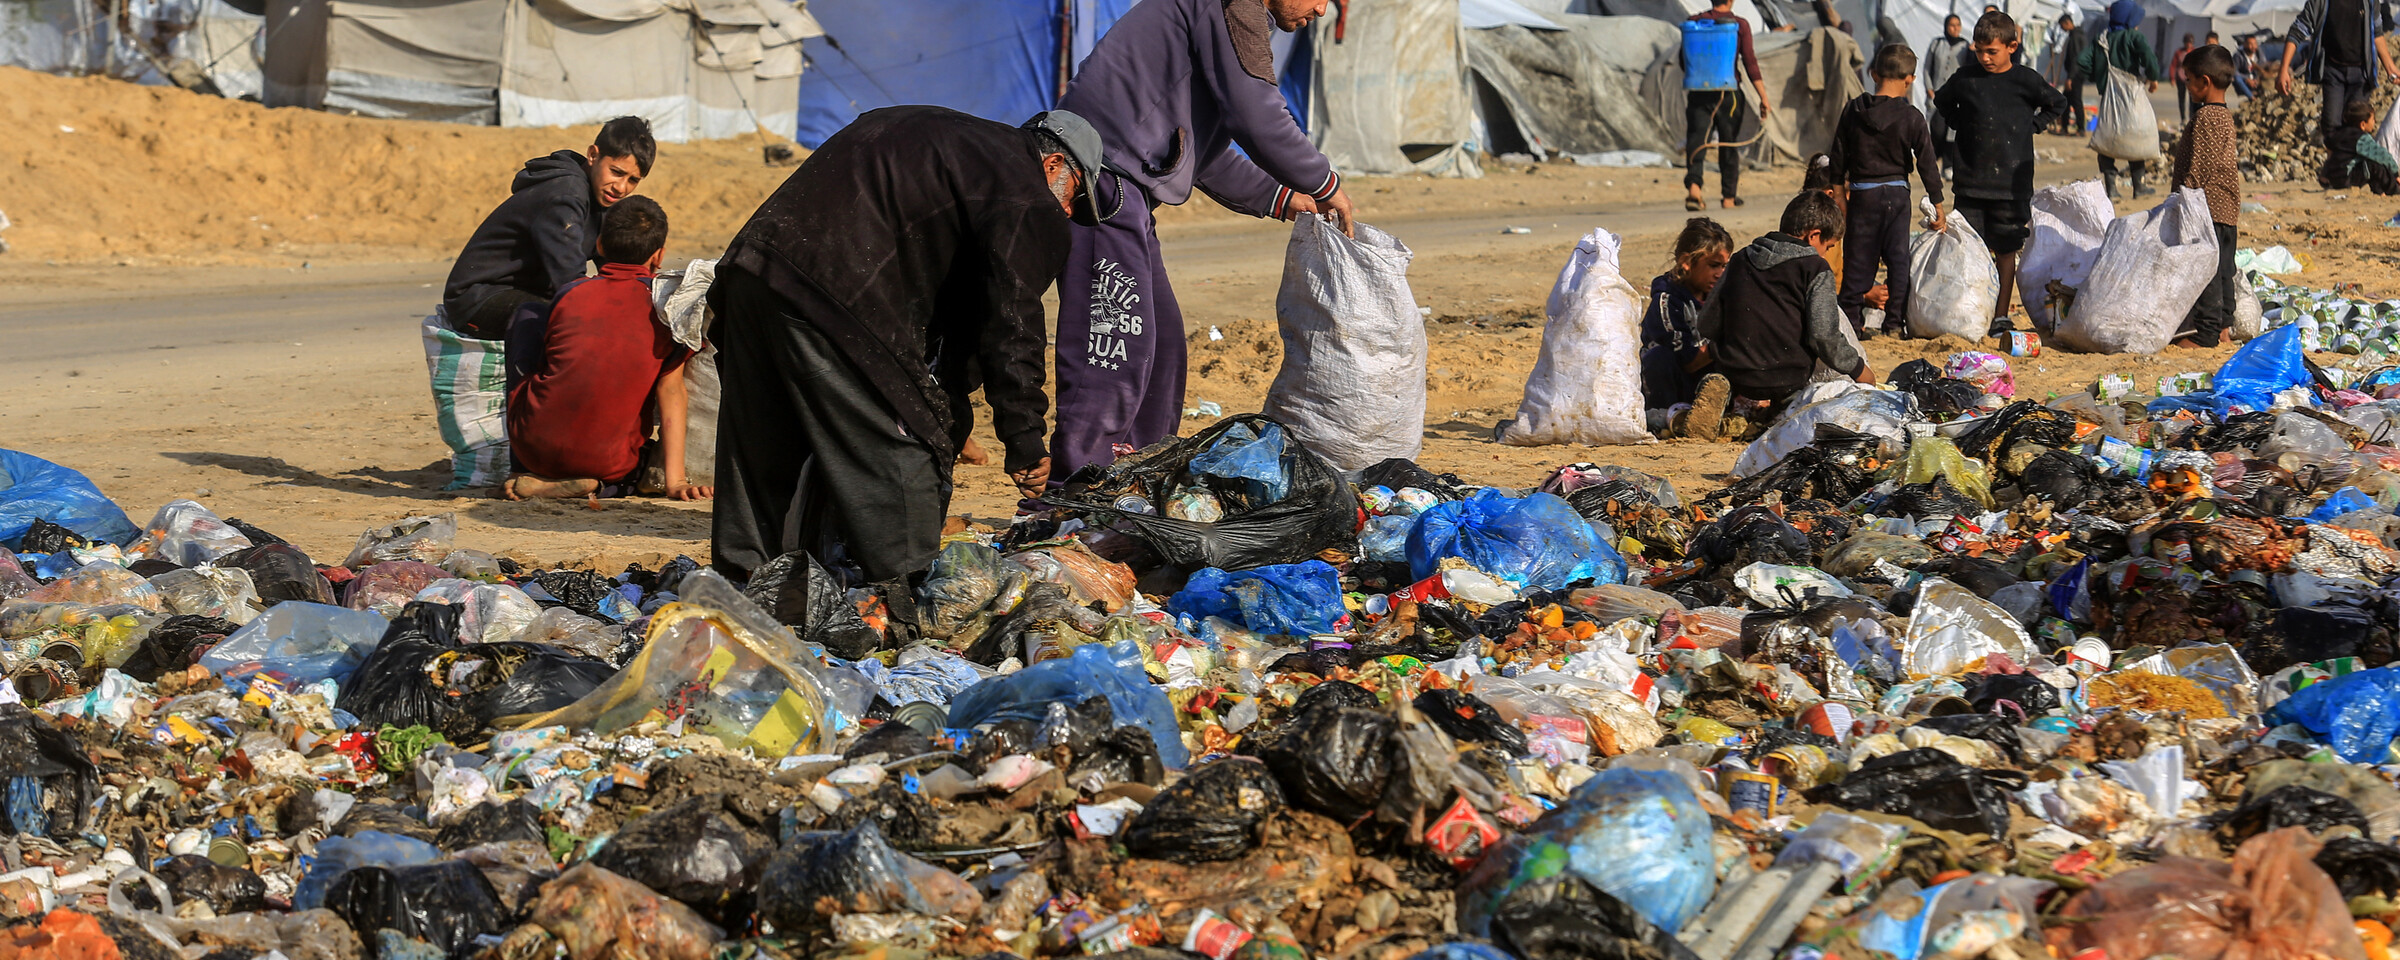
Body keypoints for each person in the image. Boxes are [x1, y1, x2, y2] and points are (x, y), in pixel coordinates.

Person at [707, 106, 1104, 588]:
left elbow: (959, 330)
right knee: (900, 446)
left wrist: (954, 404)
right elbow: (1011, 323)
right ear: (1053, 166)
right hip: (836, 292)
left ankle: (741, 584)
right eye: (1074, 196)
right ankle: (901, 599)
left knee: (762, 440)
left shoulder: (944, 138)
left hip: (751, 270)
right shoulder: (1025, 192)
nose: (1067, 213)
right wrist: (1023, 441)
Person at [1050, 0, 1355, 485]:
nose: (1321, 8)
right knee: (1112, 351)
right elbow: (1258, 115)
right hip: (1096, 184)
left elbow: (1199, 153)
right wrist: (1324, 182)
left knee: (1163, 348)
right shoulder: (1234, 5)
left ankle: (1135, 483)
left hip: (1124, 195)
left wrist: (1282, 197)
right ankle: (1075, 494)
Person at [501, 197, 705, 503]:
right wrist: (675, 481)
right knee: (635, 468)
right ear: (659, 256)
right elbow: (671, 390)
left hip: (534, 451)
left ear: (599, 245)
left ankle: (520, 472)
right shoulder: (664, 309)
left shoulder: (571, 293)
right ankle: (600, 486)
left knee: (528, 315)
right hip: (605, 462)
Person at [440, 117, 656, 340]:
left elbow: (618, 267)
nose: (621, 187)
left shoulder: (602, 197)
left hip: (527, 291)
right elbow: (569, 278)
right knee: (579, 320)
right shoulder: (565, 193)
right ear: (593, 155)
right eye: (617, 172)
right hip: (479, 298)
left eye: (633, 180)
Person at [1693, 192, 1876, 437]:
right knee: (1797, 404)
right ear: (1813, 236)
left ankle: (1730, 406)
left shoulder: (1740, 259)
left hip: (1735, 370)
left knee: (1734, 380)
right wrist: (1858, 369)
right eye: (1828, 247)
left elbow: (1706, 323)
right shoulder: (1814, 268)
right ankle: (1779, 413)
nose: (1825, 254)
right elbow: (1824, 336)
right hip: (1787, 376)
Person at [1939, 9, 2070, 336]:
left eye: (1992, 51)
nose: (1984, 58)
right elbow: (1942, 103)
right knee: (1970, 249)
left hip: (2010, 186)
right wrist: (1963, 127)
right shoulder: (1965, 79)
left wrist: (2032, 127)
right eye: (1979, 50)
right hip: (1970, 183)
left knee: (2006, 250)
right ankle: (1971, 309)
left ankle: (1999, 315)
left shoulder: (2025, 80)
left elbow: (2057, 102)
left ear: (2012, 46)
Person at [1832, 43, 1945, 342]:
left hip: (1862, 195)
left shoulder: (1854, 110)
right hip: (1896, 195)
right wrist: (1938, 204)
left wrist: (1839, 194)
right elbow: (1927, 164)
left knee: (1858, 259)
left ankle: (1852, 324)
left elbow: (1838, 155)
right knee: (1898, 260)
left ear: (1873, 74)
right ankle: (1894, 323)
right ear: (1910, 79)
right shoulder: (1912, 115)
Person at [2170, 44, 2243, 349]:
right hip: (2225, 206)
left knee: (2207, 274)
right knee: (2224, 268)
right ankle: (2225, 327)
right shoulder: (2224, 115)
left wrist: (2181, 196)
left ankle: (2206, 334)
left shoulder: (2207, 117)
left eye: (2188, 80)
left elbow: (2201, 165)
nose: (2186, 85)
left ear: (2205, 82)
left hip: (2206, 208)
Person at [1641, 217, 1733, 438]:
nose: (1720, 273)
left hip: (1702, 380)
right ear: (1686, 262)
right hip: (1671, 381)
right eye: (1713, 266)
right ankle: (1669, 419)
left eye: (1724, 266)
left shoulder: (1720, 296)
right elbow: (1688, 361)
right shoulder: (1667, 301)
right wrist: (1726, 344)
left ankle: (1713, 415)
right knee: (1658, 357)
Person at [1684, 0, 1775, 211]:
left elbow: (1684, 60)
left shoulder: (1694, 22)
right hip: (1729, 96)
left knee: (1697, 140)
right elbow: (1750, 62)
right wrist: (1764, 98)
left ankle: (1694, 189)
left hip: (1699, 92)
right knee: (1728, 142)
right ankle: (1728, 197)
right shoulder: (1739, 24)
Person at [2279, 0, 2399, 148]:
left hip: (2361, 73)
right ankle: (2335, 163)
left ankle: (2352, 166)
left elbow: (2377, 32)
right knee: (2331, 124)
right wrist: (2284, 69)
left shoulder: (2369, 2)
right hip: (2333, 71)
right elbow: (2298, 30)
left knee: (2356, 125)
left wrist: (2390, 67)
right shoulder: (2320, 2)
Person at [2081, 0, 2163, 199]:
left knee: (2107, 138)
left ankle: (2111, 188)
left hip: (2110, 98)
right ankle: (2139, 187)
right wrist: (2153, 77)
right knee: (2136, 139)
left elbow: (2082, 61)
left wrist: (2099, 79)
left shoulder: (2102, 39)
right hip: (2132, 97)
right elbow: (2149, 59)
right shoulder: (2133, 36)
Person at [1927, 15, 1974, 176]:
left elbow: (1969, 67)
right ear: (1946, 26)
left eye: (1958, 25)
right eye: (1952, 25)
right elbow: (1927, 67)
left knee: (1952, 132)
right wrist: (1929, 88)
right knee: (1937, 129)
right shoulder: (1937, 43)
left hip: (1956, 96)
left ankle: (1948, 165)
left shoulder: (1965, 46)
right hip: (1937, 95)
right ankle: (1934, 160)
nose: (1955, 28)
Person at [2324, 98, 2400, 192]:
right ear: (2363, 124)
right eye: (2372, 119)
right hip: (2346, 179)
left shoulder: (2340, 132)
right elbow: (2382, 156)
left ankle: (2379, 191)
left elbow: (2328, 144)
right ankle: (2395, 189)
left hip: (2333, 178)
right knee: (2375, 164)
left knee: (2365, 163)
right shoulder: (2361, 139)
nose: (2374, 122)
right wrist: (2395, 172)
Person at [2051, 13, 2087, 134]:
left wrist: (2070, 78)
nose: (2062, 29)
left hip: (2075, 75)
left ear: (2067, 23)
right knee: (2067, 100)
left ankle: (2080, 129)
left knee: (2075, 101)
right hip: (2076, 73)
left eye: (2062, 26)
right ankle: (2065, 127)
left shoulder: (2075, 37)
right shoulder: (2076, 35)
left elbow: (2076, 59)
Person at [2171, 33, 2197, 118]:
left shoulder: (2195, 52)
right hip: (2181, 78)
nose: (2188, 44)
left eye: (2190, 43)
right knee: (2181, 99)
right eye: (2187, 42)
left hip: (2192, 79)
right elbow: (2173, 65)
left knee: (2192, 100)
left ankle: (2191, 117)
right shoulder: (2179, 52)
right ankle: (2183, 118)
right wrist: (2172, 78)